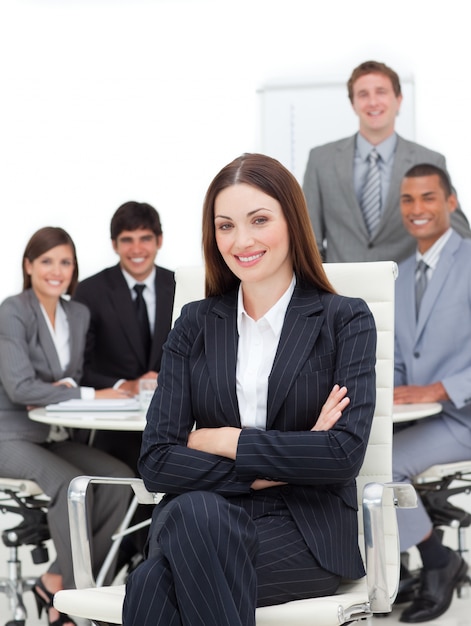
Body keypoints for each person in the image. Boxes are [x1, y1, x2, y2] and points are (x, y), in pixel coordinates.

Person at [122, 153, 377, 626]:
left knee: (154, 584)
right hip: (203, 516)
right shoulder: (196, 323)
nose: (241, 241)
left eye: (259, 220)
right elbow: (157, 460)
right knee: (197, 516)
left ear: (292, 222)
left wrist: (223, 440)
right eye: (225, 226)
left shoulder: (345, 319)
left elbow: (343, 455)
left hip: (303, 530)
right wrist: (281, 465)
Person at [0, 227, 134, 626]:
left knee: (118, 482)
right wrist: (92, 395)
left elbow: (69, 379)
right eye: (46, 261)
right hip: (10, 436)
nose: (56, 271)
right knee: (68, 483)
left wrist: (65, 390)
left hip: (53, 432)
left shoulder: (78, 314)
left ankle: (61, 580)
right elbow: (21, 387)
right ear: (29, 265)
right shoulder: (13, 311)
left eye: (65, 262)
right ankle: (75, 608)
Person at [393, 164, 471, 623]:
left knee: (383, 467)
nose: (417, 209)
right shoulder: (400, 273)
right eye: (408, 200)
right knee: (350, 449)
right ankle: (393, 569)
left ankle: (438, 561)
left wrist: (440, 388)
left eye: (428, 198)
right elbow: (404, 355)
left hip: (462, 415)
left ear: (451, 203)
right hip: (422, 414)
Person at [303, 60, 471, 263]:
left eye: (381, 92)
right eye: (363, 94)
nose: (373, 102)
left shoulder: (429, 160)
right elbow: (308, 238)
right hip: (340, 289)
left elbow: (459, 232)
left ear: (398, 100)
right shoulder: (321, 160)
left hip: (407, 288)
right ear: (353, 104)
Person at [73, 201, 175, 473]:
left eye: (145, 238)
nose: (137, 249)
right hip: (112, 426)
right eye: (127, 240)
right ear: (114, 245)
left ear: (159, 241)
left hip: (172, 422)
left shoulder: (180, 286)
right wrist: (127, 385)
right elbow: (79, 367)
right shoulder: (89, 291)